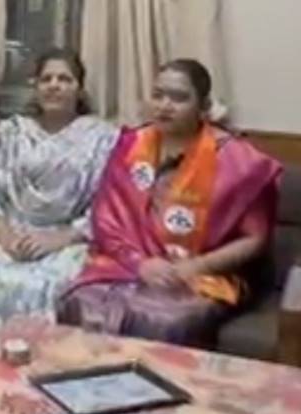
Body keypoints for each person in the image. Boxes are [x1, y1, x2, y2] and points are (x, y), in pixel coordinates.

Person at [59, 59, 282, 347]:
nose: (165, 105)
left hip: (204, 274)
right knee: (80, 300)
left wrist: (195, 267)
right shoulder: (130, 145)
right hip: (131, 265)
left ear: (203, 106)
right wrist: (141, 264)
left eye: (178, 98)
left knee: (164, 320)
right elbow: (106, 218)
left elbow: (254, 239)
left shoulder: (237, 161)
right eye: (158, 95)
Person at [0, 48, 118, 351]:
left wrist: (58, 239)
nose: (54, 85)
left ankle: (37, 373)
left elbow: (108, 206)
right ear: (35, 86)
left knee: (49, 286)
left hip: (68, 239)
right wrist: (6, 237)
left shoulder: (103, 139)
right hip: (11, 233)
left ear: (79, 88)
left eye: (64, 79)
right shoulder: (10, 133)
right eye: (46, 79)